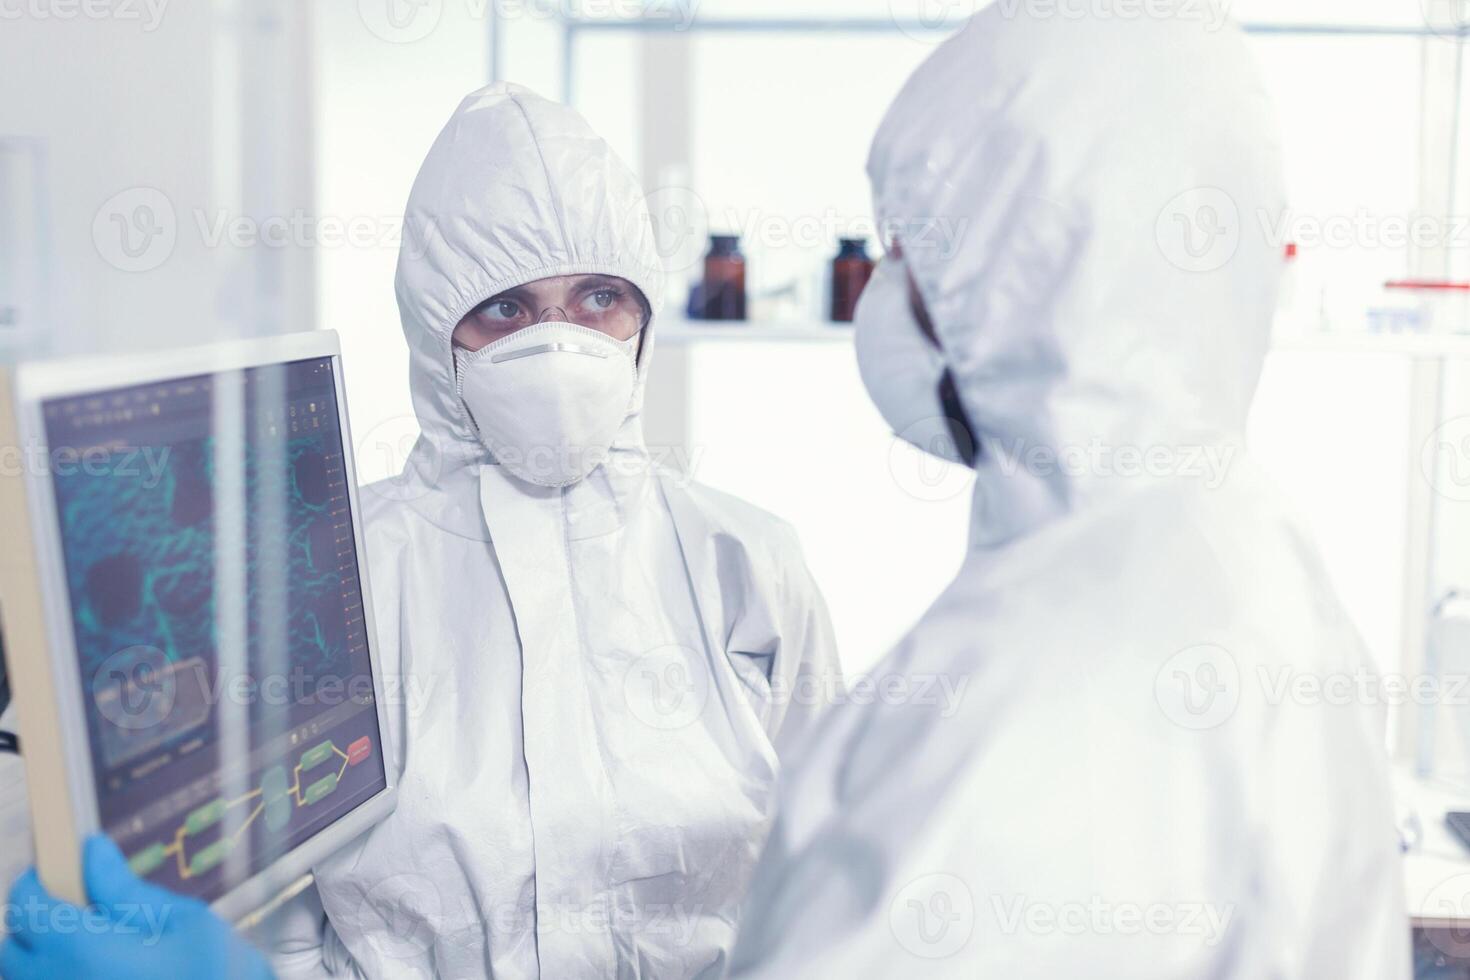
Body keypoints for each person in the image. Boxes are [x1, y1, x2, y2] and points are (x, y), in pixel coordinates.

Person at [1, 84, 839, 979]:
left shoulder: (746, 564)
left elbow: (833, 885)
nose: (560, 346)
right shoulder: (325, 573)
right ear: (435, 329)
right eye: (508, 308)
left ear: (645, 313)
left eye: (599, 297)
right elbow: (239, 884)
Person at [728, 5, 1408, 978]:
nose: (884, 289)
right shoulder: (1245, 550)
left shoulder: (1028, 698)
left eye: (908, 247)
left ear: (1023, 267)